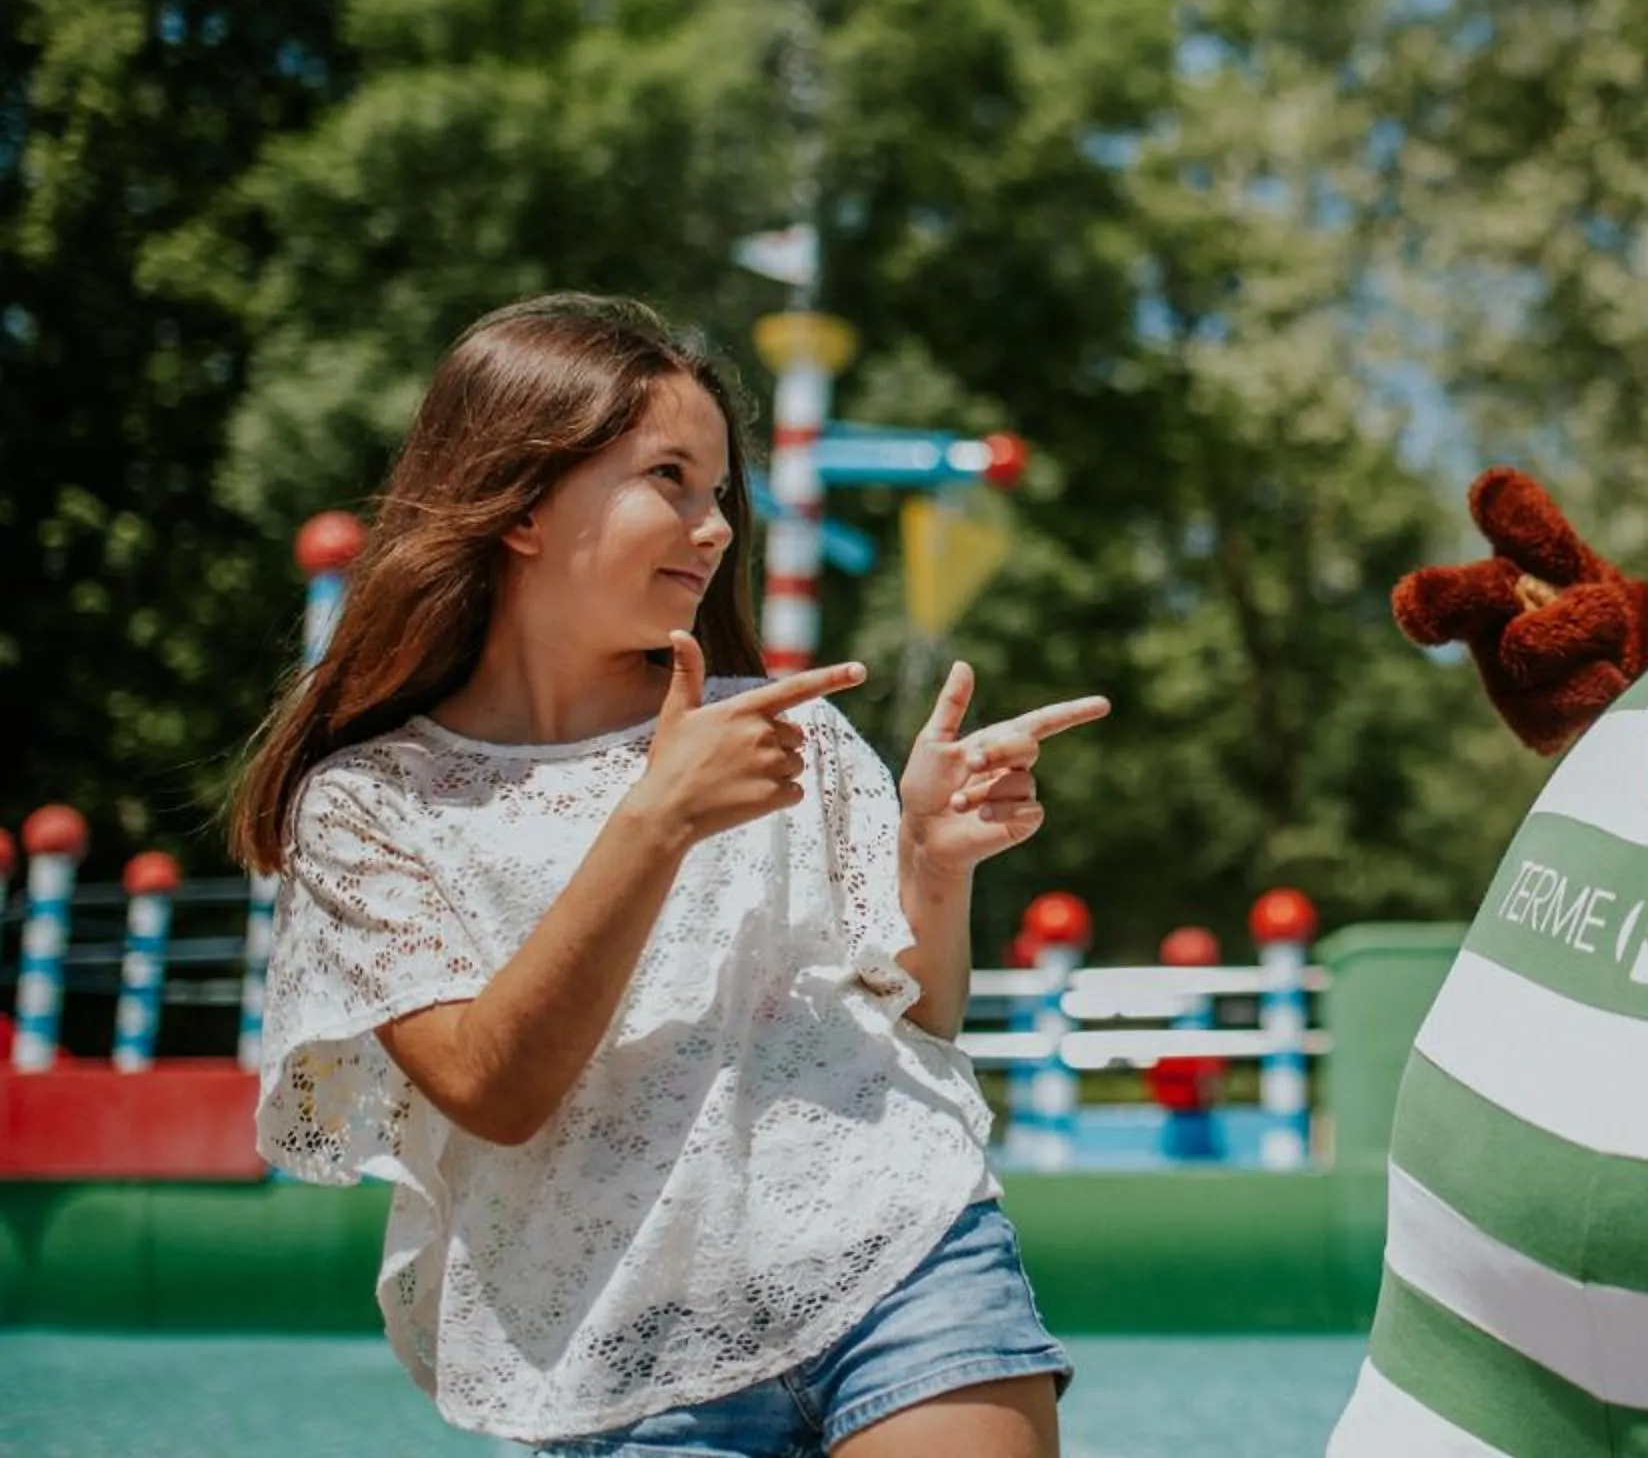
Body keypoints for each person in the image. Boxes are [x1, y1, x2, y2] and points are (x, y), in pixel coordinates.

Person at [230, 293, 1106, 1458]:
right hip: (616, 1359)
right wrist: (656, 820)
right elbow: (492, 1090)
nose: (717, 527)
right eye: (671, 479)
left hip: (901, 1255)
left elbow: (917, 1022)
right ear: (524, 501)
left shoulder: (784, 727)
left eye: (721, 492)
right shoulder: (368, 804)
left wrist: (932, 866)